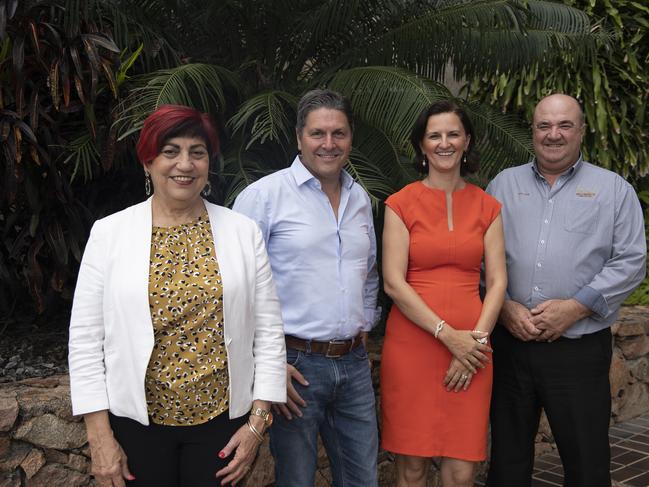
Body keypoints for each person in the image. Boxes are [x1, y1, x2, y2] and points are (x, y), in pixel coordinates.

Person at [68, 104, 286, 487]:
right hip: (137, 427)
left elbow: (268, 332)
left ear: (207, 163)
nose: (184, 164)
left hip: (220, 426)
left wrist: (257, 424)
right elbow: (86, 341)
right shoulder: (110, 234)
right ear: (148, 161)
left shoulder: (242, 232)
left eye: (196, 152)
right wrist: (99, 437)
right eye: (171, 151)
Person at [485, 93, 647, 487]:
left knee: (587, 464)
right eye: (544, 126)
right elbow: (479, 257)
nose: (553, 135)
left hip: (578, 350)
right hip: (511, 347)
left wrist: (576, 307)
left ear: (581, 132)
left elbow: (631, 260)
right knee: (506, 463)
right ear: (533, 131)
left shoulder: (613, 190)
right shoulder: (502, 185)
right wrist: (503, 307)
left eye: (564, 126)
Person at [233, 89, 380, 486]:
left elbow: (367, 272)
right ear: (299, 137)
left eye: (339, 133)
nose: (328, 144)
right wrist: (268, 365)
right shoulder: (263, 197)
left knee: (363, 479)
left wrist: (364, 325)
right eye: (318, 133)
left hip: (352, 366)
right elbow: (234, 286)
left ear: (351, 138)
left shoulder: (360, 199)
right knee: (295, 480)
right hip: (293, 367)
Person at [380, 100, 507, 487]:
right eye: (434, 135)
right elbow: (393, 282)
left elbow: (498, 282)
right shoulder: (400, 203)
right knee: (412, 467)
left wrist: (475, 345)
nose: (444, 143)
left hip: (473, 348)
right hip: (413, 347)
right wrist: (448, 336)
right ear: (421, 144)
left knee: (461, 469)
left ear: (467, 140)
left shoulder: (488, 205)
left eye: (453, 134)